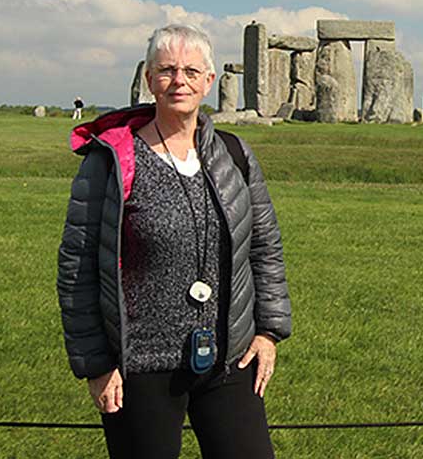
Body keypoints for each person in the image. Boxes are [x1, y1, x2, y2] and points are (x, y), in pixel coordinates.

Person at [58, 23, 291, 459]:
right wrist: (96, 365)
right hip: (141, 364)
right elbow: (78, 266)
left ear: (208, 81)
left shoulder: (234, 154)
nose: (177, 81)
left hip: (229, 357)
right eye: (165, 70)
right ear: (149, 80)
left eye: (189, 70)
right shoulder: (109, 161)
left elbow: (264, 247)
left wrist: (269, 332)